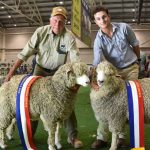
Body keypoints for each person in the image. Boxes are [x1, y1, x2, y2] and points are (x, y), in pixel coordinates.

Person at [4, 6, 83, 149]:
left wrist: (76, 81)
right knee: (31, 100)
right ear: (50, 20)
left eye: (61, 21)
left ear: (65, 22)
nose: (58, 24)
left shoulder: (69, 36)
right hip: (40, 69)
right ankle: (29, 135)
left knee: (66, 103)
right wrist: (11, 72)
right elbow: (25, 53)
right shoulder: (40, 32)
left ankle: (73, 137)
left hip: (58, 73)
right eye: (55, 20)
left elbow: (75, 59)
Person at [91, 6, 140, 149]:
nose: (102, 20)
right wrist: (94, 80)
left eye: (104, 17)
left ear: (109, 16)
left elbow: (135, 44)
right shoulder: (98, 40)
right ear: (96, 22)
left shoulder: (124, 28)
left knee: (128, 103)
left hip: (131, 69)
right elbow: (96, 61)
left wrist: (137, 60)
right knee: (107, 103)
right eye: (98, 19)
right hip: (114, 74)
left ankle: (121, 138)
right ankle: (102, 137)